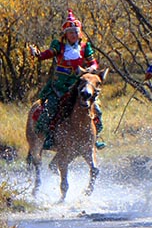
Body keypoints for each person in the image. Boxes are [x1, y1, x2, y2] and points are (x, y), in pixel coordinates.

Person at [30, 10, 104, 150]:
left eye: (76, 32)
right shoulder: (59, 45)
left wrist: (91, 69)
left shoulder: (84, 47)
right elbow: (48, 53)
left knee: (97, 110)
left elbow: (93, 62)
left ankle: (95, 137)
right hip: (60, 85)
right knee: (50, 109)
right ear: (66, 34)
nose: (74, 35)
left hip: (78, 85)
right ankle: (48, 137)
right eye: (71, 32)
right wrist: (38, 54)